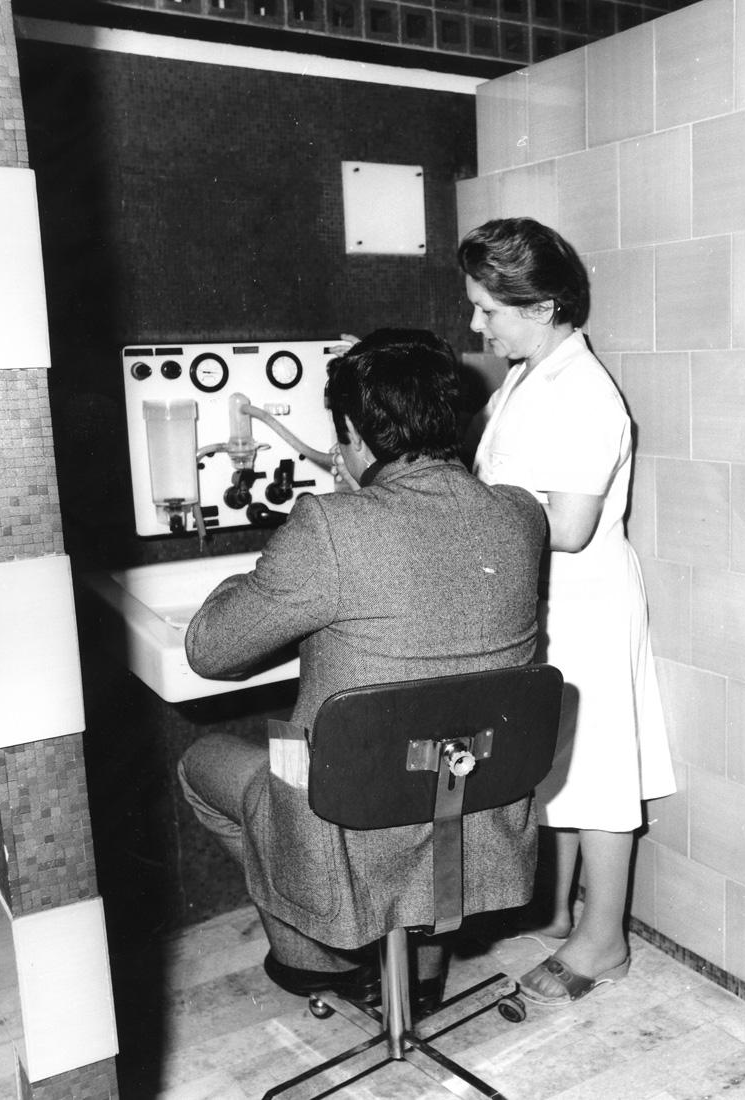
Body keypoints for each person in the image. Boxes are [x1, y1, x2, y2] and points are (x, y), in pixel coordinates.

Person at [179, 327, 547, 1008]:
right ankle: (420, 977)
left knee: (207, 763)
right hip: (478, 811)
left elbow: (210, 650)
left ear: (352, 431)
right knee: (422, 744)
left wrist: (262, 571)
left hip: (344, 814)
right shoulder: (521, 516)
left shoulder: (329, 525)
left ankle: (319, 954)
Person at [458, 218, 676, 1005]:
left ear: (543, 306)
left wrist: (467, 518)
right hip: (543, 600)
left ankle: (604, 941)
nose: (476, 324)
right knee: (554, 762)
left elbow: (573, 524)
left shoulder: (584, 393)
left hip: (587, 602)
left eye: (489, 309)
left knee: (600, 771)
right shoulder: (526, 377)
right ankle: (555, 912)